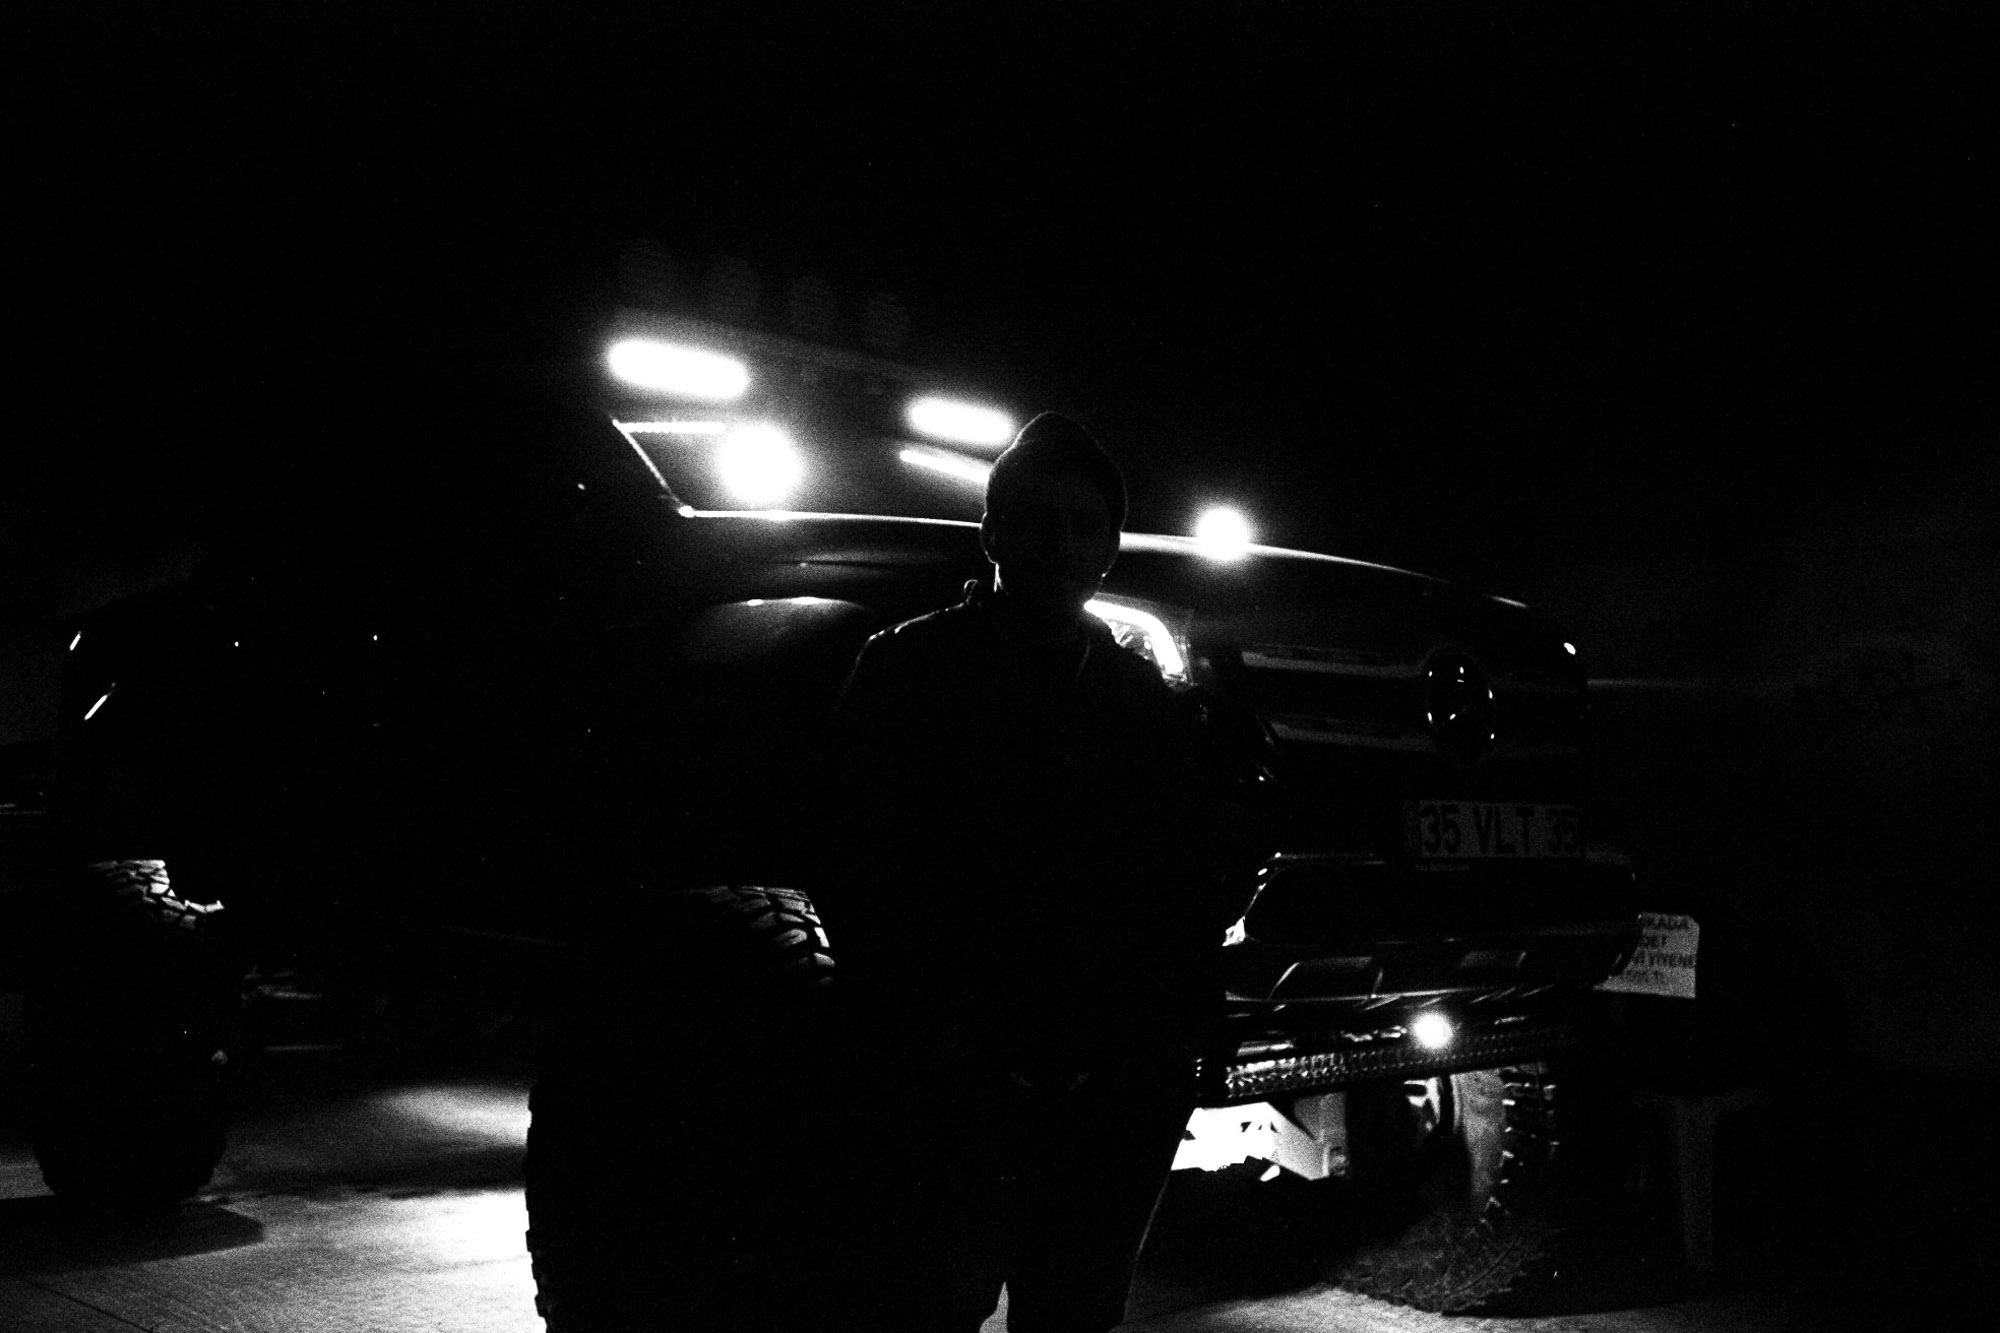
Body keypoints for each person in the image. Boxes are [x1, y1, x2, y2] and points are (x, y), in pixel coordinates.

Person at [817, 412, 1226, 1333]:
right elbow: (855, 868)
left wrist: (1170, 1052)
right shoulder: (908, 671)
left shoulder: (1139, 702)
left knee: (1074, 1312)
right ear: (993, 534)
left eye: (1085, 526)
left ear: (1111, 551)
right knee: (930, 1304)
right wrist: (930, 1043)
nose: (1063, 544)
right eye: (1038, 521)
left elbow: (1181, 884)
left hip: (1105, 1096)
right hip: (954, 1084)